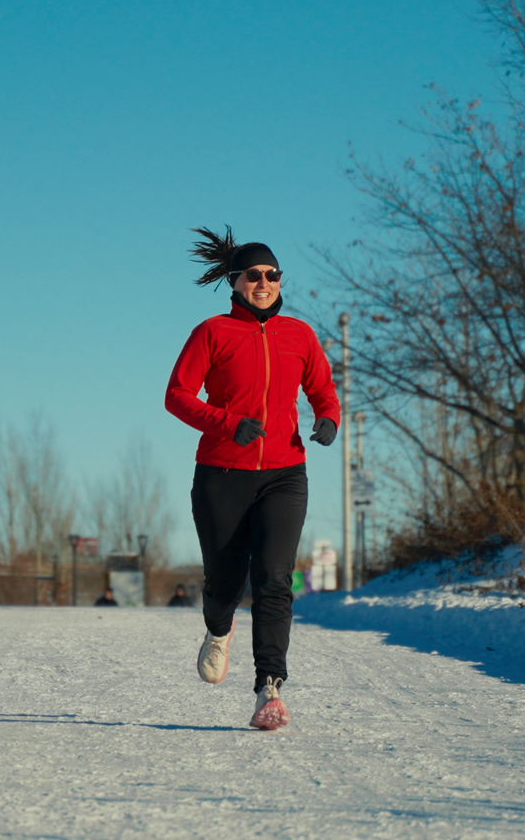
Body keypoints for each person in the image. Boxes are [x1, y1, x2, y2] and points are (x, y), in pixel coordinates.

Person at [164, 227, 339, 730]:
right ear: (235, 282)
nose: (264, 282)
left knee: (274, 578)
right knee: (225, 580)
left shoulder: (300, 335)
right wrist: (227, 423)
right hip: (222, 472)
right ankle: (219, 629)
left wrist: (328, 418)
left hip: (285, 473)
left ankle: (269, 687)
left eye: (272, 275)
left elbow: (323, 389)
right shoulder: (212, 332)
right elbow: (177, 395)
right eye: (253, 275)